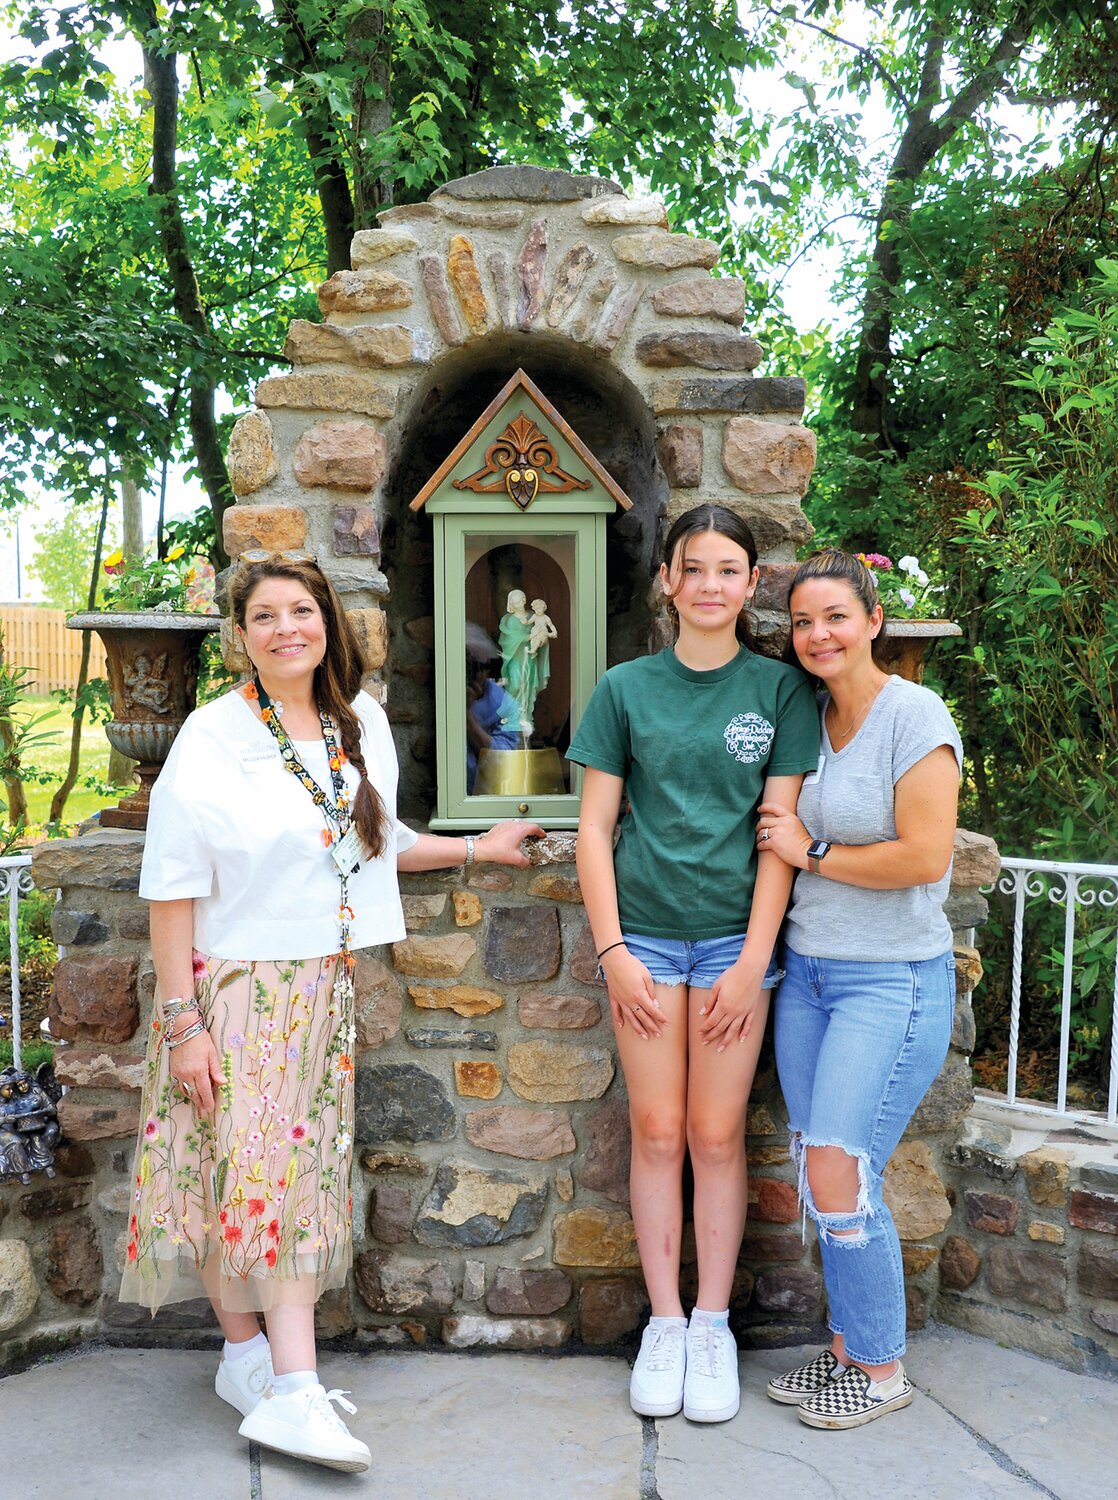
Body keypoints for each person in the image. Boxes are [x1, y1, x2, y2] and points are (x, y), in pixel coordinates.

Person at [119, 551, 541, 1473]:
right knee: (258, 1178)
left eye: (300, 611)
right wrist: (184, 1024)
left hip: (322, 986)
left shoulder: (360, 726)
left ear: (326, 624)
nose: (286, 629)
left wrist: (480, 850)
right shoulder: (210, 734)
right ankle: (295, 1391)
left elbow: (372, 846)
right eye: (264, 616)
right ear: (240, 637)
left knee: (255, 1173)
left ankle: (246, 1363)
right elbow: (171, 889)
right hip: (238, 987)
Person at [570, 504, 819, 1424]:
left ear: (752, 584)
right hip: (641, 941)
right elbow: (594, 830)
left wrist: (755, 958)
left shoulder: (779, 692)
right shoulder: (625, 689)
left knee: (717, 1138)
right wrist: (613, 951)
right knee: (657, 1132)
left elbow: (776, 837)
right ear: (667, 581)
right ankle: (664, 1325)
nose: (711, 584)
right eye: (694, 568)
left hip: (731, 945)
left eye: (729, 569)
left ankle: (713, 1325)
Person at [757, 548, 961, 1430]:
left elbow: (926, 856)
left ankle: (880, 1367)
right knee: (821, 1167)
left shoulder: (913, 715)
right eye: (803, 621)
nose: (818, 635)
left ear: (874, 621)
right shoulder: (807, 714)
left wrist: (814, 853)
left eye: (836, 616)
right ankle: (846, 1352)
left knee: (841, 1167)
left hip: (891, 981)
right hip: (808, 974)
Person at [465, 623, 520, 791]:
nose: (473, 673)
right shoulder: (442, 697)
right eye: (467, 664)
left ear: (487, 669)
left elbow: (501, 760)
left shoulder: (505, 705)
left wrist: (467, 716)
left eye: (477, 666)